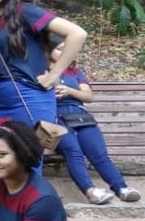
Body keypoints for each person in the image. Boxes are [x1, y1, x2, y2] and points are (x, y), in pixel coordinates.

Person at [46, 35, 141, 204]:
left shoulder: (74, 71)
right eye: (59, 48)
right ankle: (91, 192)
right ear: (48, 50)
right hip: (54, 119)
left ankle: (122, 188)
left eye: (66, 48)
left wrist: (69, 90)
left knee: (98, 153)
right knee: (73, 151)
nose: (64, 52)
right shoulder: (41, 71)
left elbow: (88, 96)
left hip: (80, 117)